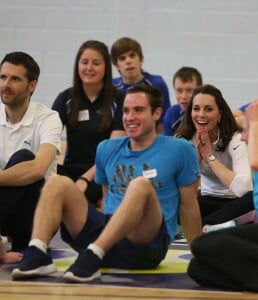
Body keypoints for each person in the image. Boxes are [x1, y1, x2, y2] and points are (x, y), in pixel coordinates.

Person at [12, 84, 201, 283]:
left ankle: (94, 253)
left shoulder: (180, 149)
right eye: (126, 111)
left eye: (138, 110)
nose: (130, 117)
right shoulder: (107, 148)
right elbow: (107, 200)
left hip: (146, 245)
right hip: (109, 238)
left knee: (140, 185)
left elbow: (188, 205)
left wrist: (199, 253)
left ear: (156, 113)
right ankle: (38, 251)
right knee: (57, 182)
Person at [188, 100, 258, 296]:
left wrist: (254, 121)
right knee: (198, 268)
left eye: (247, 131)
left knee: (201, 243)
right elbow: (256, 212)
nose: (244, 138)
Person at [0, 52, 62, 250]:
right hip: (5, 214)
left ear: (32, 86)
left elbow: (37, 168)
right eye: (3, 77)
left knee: (24, 158)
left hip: (38, 214)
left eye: (15, 79)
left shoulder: (49, 118)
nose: (6, 84)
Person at [52, 40, 125, 207]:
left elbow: (112, 152)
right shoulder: (65, 98)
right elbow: (49, 138)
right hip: (70, 171)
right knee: (41, 180)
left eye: (96, 63)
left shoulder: (119, 99)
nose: (89, 68)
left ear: (106, 67)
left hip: (102, 173)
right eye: (84, 62)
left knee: (85, 193)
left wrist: (84, 179)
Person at [176, 84, 253, 226]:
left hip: (236, 202)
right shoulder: (185, 140)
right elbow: (175, 185)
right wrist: (195, 163)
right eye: (196, 108)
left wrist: (210, 158)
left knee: (252, 200)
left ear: (220, 114)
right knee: (172, 202)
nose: (201, 115)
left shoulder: (236, 139)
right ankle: (210, 226)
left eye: (209, 109)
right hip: (206, 199)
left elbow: (243, 188)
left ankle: (208, 226)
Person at [110, 37, 171, 133]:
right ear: (116, 65)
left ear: (141, 59)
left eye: (132, 56)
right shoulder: (111, 87)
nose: (128, 61)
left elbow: (162, 122)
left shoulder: (157, 83)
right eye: (122, 58)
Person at [163, 66, 202, 136]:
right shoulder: (172, 113)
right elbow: (166, 145)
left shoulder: (209, 115)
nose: (184, 96)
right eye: (179, 91)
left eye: (189, 90)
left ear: (200, 90)